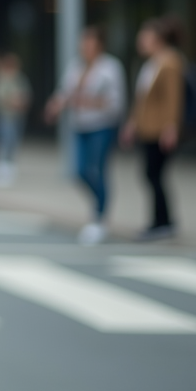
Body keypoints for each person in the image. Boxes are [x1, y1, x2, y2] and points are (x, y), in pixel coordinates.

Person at [45, 25, 127, 245]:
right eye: (83, 42)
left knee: (98, 170)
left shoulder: (110, 68)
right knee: (79, 171)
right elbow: (65, 92)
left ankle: (99, 218)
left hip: (101, 126)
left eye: (89, 43)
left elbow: (116, 103)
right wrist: (55, 105)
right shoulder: (76, 66)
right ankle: (98, 203)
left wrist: (88, 102)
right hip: (79, 126)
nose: (85, 47)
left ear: (99, 44)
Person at [121, 17, 185, 241]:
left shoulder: (170, 62)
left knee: (153, 174)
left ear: (158, 39)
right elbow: (142, 100)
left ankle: (163, 222)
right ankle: (161, 221)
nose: (141, 41)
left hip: (161, 130)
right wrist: (132, 123)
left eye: (145, 36)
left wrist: (171, 127)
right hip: (147, 129)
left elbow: (173, 98)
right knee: (151, 174)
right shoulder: (151, 63)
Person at [0, 52, 31, 187]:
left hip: (16, 116)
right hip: (2, 116)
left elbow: (26, 95)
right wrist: (10, 101)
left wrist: (20, 103)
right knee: (3, 141)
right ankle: (0, 168)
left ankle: (9, 168)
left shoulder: (20, 78)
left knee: (13, 142)